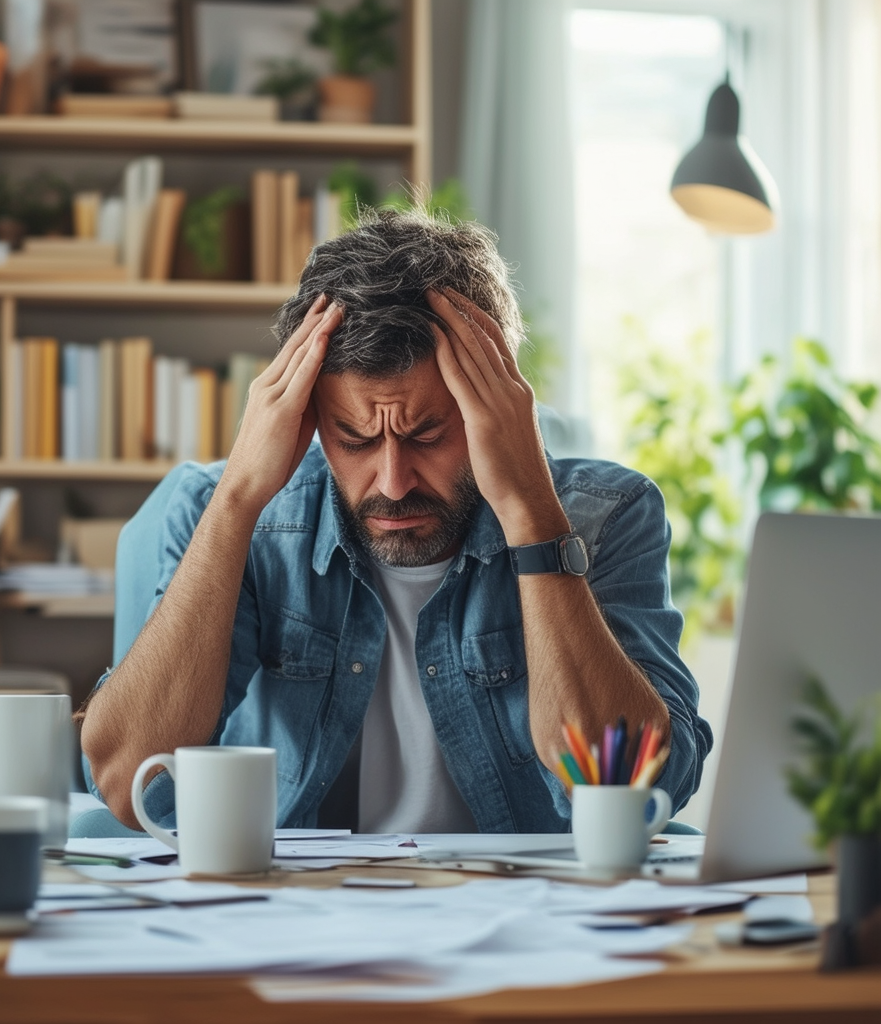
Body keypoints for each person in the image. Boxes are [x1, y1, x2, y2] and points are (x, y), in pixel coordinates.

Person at [80, 209, 712, 833]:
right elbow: (130, 782)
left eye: (429, 434)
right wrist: (238, 499)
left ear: (503, 406)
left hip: (521, 910)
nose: (392, 482)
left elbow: (634, 790)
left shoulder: (605, 516)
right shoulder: (228, 513)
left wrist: (531, 518)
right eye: (353, 439)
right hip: (294, 913)